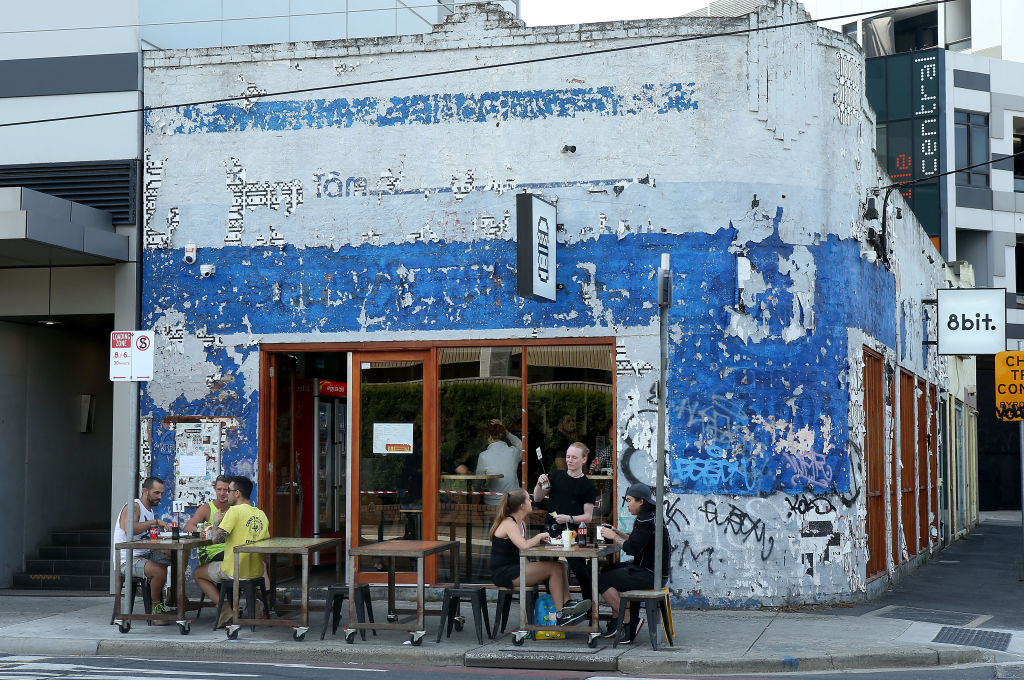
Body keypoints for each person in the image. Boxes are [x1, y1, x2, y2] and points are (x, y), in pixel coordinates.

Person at [488, 488, 592, 627]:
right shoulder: (509, 523)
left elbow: (522, 551)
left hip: (517, 568)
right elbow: (524, 546)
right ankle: (561, 614)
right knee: (554, 568)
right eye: (528, 499)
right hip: (505, 573)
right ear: (522, 506)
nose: (531, 500)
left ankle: (567, 606)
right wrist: (538, 537)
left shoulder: (521, 523)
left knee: (561, 565)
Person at [597, 482, 672, 643]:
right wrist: (618, 532)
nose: (627, 504)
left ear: (641, 502)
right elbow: (637, 541)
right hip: (653, 571)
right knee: (607, 570)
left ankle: (629, 620)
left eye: (630, 500)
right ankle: (619, 624)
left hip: (650, 574)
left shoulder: (645, 520)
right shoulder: (650, 515)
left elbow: (632, 549)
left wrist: (613, 536)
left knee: (601, 580)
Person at [193, 476, 269, 628]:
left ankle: (225, 608)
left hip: (233, 570)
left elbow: (216, 539)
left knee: (198, 573)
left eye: (229, 490)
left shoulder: (233, 512)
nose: (226, 494)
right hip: (255, 571)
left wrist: (216, 521)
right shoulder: (261, 514)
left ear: (237, 493)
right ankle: (259, 603)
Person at [533, 442, 597, 601]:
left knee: (581, 571)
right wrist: (539, 484)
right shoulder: (556, 476)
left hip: (572, 532)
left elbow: (588, 517)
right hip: (550, 530)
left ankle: (590, 610)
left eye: (574, 457)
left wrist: (570, 518)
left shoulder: (587, 486)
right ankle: (555, 608)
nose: (570, 460)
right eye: (568, 456)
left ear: (584, 459)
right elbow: (537, 497)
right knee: (547, 570)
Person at [112, 476, 171, 620]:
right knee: (159, 570)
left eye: (161, 493)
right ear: (145, 491)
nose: (160, 497)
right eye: (156, 493)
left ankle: (174, 600)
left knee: (176, 557)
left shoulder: (149, 510)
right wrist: (155, 522)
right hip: (127, 560)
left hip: (145, 554)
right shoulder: (134, 506)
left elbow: (144, 536)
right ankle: (156, 609)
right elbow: (129, 528)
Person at [460, 419, 522, 506]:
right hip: (511, 502)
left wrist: (478, 492)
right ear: (504, 437)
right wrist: (507, 432)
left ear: (490, 438)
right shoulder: (513, 452)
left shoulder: (483, 456)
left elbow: (478, 482)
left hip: (492, 503)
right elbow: (522, 446)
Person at [183, 474, 232, 565]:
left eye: (226, 490)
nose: (222, 493)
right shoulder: (206, 508)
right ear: (215, 489)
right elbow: (187, 528)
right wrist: (205, 531)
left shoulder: (235, 509)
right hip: (211, 553)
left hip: (230, 551)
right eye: (219, 489)